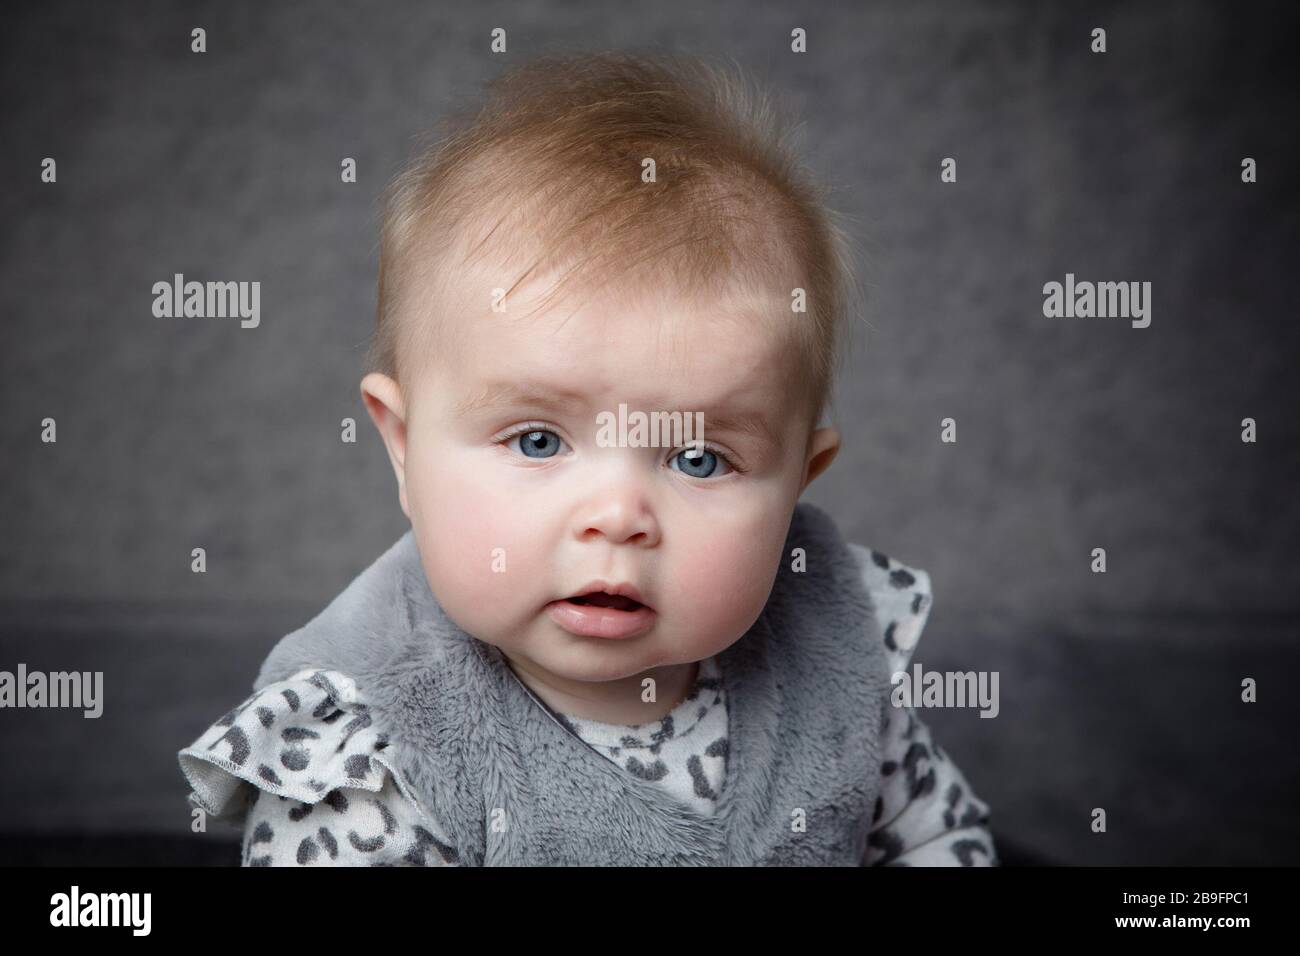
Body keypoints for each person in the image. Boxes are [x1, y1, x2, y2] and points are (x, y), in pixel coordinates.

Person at [179, 50, 996, 867]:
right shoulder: (370, 746)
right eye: (538, 441)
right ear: (403, 448)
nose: (618, 517)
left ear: (795, 485)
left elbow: (934, 836)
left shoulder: (832, 658)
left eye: (701, 459)